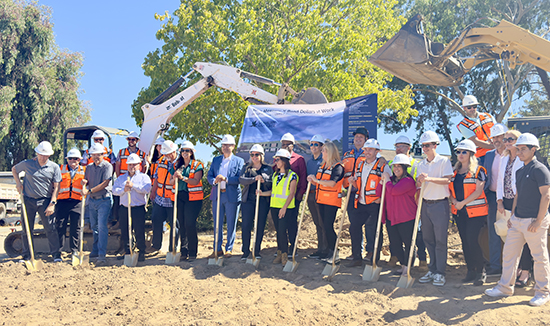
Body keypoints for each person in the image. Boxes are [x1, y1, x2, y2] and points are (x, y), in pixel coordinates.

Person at [485, 133, 550, 307]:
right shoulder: (521, 170)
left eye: (523, 149)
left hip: (534, 221)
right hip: (518, 220)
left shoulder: (540, 169)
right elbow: (517, 195)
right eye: (518, 149)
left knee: (539, 257)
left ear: (533, 149)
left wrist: (538, 221)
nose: (519, 152)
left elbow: (546, 196)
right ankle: (505, 287)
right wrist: (512, 216)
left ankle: (543, 292)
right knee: (509, 255)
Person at [12, 141, 62, 262]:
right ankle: (27, 255)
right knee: (26, 229)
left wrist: (52, 203)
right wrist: (18, 183)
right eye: (40, 154)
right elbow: (14, 169)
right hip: (28, 200)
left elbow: (57, 187)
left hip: (45, 201)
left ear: (49, 155)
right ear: (37, 153)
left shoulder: (54, 167)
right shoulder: (27, 164)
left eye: (45, 155)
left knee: (50, 228)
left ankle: (56, 255)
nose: (43, 157)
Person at [416, 130, 454, 286]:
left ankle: (440, 272)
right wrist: (420, 181)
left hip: (440, 204)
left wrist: (429, 179)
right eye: (423, 146)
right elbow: (420, 185)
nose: (425, 148)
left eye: (427, 145)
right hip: (426, 204)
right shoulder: (420, 164)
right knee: (428, 239)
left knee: (440, 240)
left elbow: (447, 180)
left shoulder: (444, 162)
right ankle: (432, 269)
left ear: (435, 145)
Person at [449, 139, 489, 286]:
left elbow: (479, 191)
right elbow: (449, 190)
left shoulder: (479, 171)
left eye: (463, 152)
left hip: (475, 213)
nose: (460, 154)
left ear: (471, 154)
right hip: (459, 212)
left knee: (473, 241)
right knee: (465, 242)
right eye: (458, 151)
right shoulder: (454, 172)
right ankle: (471, 270)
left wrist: (462, 203)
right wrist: (454, 201)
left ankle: (481, 270)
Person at [496, 130, 533, 287]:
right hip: (506, 201)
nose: (507, 141)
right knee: (512, 237)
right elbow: (499, 180)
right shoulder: (504, 158)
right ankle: (516, 268)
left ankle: (526, 270)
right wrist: (499, 200)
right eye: (505, 139)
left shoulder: (523, 159)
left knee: (523, 237)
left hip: (521, 202)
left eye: (511, 139)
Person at [346, 139, 390, 267]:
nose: (367, 152)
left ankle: (374, 259)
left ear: (377, 151)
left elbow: (389, 184)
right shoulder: (360, 165)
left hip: (375, 203)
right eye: (366, 149)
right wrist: (352, 182)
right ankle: (357, 257)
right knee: (354, 227)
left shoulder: (382, 166)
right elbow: (359, 184)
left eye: (370, 149)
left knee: (375, 230)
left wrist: (382, 198)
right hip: (361, 202)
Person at [388, 135, 427, 269]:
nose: (399, 149)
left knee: (417, 236)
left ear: (409, 148)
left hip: (413, 204)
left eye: (402, 146)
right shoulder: (390, 163)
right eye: (397, 146)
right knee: (398, 237)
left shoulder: (416, 164)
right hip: (397, 206)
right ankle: (399, 260)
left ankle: (422, 259)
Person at [376, 154, 417, 276]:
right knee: (395, 243)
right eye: (395, 166)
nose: (396, 169)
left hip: (406, 217)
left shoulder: (408, 181)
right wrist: (382, 181)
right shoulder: (391, 181)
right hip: (391, 217)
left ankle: (408, 268)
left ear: (405, 168)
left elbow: (394, 191)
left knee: (408, 243)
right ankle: (403, 265)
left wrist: (387, 181)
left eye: (399, 166)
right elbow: (379, 192)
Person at [207, 134, 245, 258]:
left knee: (231, 223)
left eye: (228, 145)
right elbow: (209, 175)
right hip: (217, 195)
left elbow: (240, 178)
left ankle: (229, 248)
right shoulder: (216, 160)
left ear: (233, 146)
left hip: (232, 196)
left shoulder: (239, 161)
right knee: (217, 224)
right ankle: (217, 249)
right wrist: (214, 181)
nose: (225, 147)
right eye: (224, 145)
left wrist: (226, 179)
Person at [258, 149, 298, 266]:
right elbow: (273, 192)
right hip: (274, 207)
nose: (276, 161)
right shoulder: (275, 175)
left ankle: (285, 254)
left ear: (284, 161)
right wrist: (261, 193)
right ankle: (280, 252)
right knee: (278, 232)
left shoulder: (292, 175)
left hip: (285, 208)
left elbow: (291, 193)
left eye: (278, 159)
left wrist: (284, 207)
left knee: (282, 231)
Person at [307, 141, 344, 263]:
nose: (322, 152)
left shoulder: (338, 167)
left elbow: (333, 183)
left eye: (324, 150)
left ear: (329, 152)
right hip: (321, 200)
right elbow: (321, 182)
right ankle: (328, 252)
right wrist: (312, 180)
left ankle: (334, 252)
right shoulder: (323, 166)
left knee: (328, 226)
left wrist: (316, 181)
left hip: (331, 201)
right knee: (324, 226)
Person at [112, 153, 151, 262]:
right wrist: (123, 190)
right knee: (125, 230)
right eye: (130, 164)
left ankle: (141, 251)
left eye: (134, 164)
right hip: (125, 208)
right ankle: (128, 251)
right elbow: (114, 191)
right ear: (127, 165)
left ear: (139, 165)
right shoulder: (121, 178)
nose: (132, 167)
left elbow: (146, 189)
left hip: (138, 208)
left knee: (139, 230)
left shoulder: (144, 177)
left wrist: (133, 186)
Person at [170, 141, 205, 261]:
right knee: (181, 225)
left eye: (187, 150)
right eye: (183, 150)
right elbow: (170, 181)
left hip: (193, 199)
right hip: (179, 197)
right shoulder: (176, 165)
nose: (185, 152)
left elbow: (196, 180)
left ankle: (193, 251)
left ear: (191, 152)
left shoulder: (197, 165)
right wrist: (174, 177)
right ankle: (183, 251)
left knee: (190, 224)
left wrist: (183, 178)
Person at [482, 123, 508, 276]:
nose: (497, 140)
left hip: (509, 199)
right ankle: (495, 267)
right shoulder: (489, 155)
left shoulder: (513, 154)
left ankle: (515, 267)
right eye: (494, 137)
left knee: (512, 232)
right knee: (493, 232)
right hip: (492, 198)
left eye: (500, 136)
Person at [239, 144, 273, 261]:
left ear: (261, 155)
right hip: (248, 200)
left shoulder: (268, 168)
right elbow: (241, 180)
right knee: (246, 225)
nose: (254, 157)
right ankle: (245, 251)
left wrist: (264, 180)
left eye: (257, 154)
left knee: (259, 226)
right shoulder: (246, 168)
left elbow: (271, 182)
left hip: (262, 200)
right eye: (252, 155)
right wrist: (254, 179)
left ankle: (257, 250)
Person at [81, 143, 114, 265]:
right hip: (93, 201)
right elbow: (87, 180)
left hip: (104, 200)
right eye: (93, 155)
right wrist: (84, 181)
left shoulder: (107, 166)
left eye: (98, 155)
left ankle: (101, 254)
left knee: (101, 227)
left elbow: (105, 183)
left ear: (103, 155)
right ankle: (95, 250)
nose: (96, 157)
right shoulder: (89, 167)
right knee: (94, 227)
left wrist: (89, 191)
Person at [148, 140, 179, 256]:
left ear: (174, 151)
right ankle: (156, 245)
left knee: (174, 224)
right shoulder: (161, 160)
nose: (167, 156)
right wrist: (153, 191)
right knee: (156, 219)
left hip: (172, 199)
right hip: (160, 197)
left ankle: (172, 248)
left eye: (169, 153)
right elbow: (156, 177)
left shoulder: (180, 163)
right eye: (166, 154)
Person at [342, 127, 368, 260]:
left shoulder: (369, 155)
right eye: (356, 137)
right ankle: (356, 252)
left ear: (366, 140)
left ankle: (369, 252)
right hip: (350, 195)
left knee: (367, 225)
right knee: (354, 225)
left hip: (365, 194)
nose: (358, 139)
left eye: (361, 137)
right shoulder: (347, 155)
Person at [279, 132, 307, 257]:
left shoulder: (299, 159)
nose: (285, 146)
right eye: (283, 144)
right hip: (281, 199)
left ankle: (293, 247)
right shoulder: (278, 159)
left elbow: (303, 177)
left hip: (294, 197)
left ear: (293, 145)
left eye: (287, 144)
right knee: (281, 223)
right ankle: (282, 248)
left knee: (291, 222)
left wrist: (300, 193)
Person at [55, 149, 86, 257]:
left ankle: (74, 250)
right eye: (71, 158)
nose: (73, 160)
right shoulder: (59, 168)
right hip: (62, 201)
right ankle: (58, 251)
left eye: (76, 159)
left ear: (79, 160)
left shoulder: (85, 170)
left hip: (77, 202)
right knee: (60, 226)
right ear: (67, 159)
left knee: (75, 227)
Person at [305, 135, 328, 259]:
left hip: (321, 195)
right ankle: (320, 249)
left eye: (316, 144)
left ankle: (326, 250)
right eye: (311, 144)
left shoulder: (324, 161)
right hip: (310, 195)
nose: (313, 147)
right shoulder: (309, 162)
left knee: (323, 222)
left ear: (321, 147)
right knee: (317, 223)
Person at [456, 95, 496, 165]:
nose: (472, 109)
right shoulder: (463, 125)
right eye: (469, 107)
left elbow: (498, 131)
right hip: (482, 156)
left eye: (474, 106)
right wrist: (494, 146)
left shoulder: (488, 116)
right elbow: (475, 141)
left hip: (497, 152)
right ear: (464, 108)